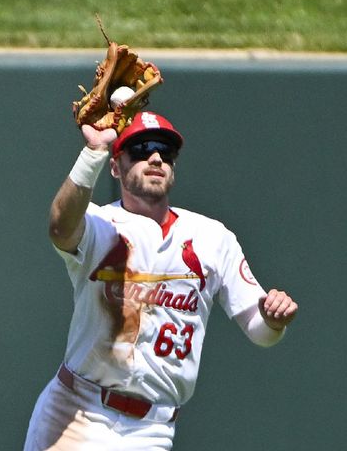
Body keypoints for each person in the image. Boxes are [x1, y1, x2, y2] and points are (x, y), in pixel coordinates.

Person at [24, 111, 298, 450]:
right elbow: (60, 228)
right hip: (79, 412)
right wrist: (92, 153)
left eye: (165, 151)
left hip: (153, 430)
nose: (155, 157)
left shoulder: (212, 237)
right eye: (140, 149)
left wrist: (273, 320)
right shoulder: (100, 223)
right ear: (116, 166)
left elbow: (258, 327)